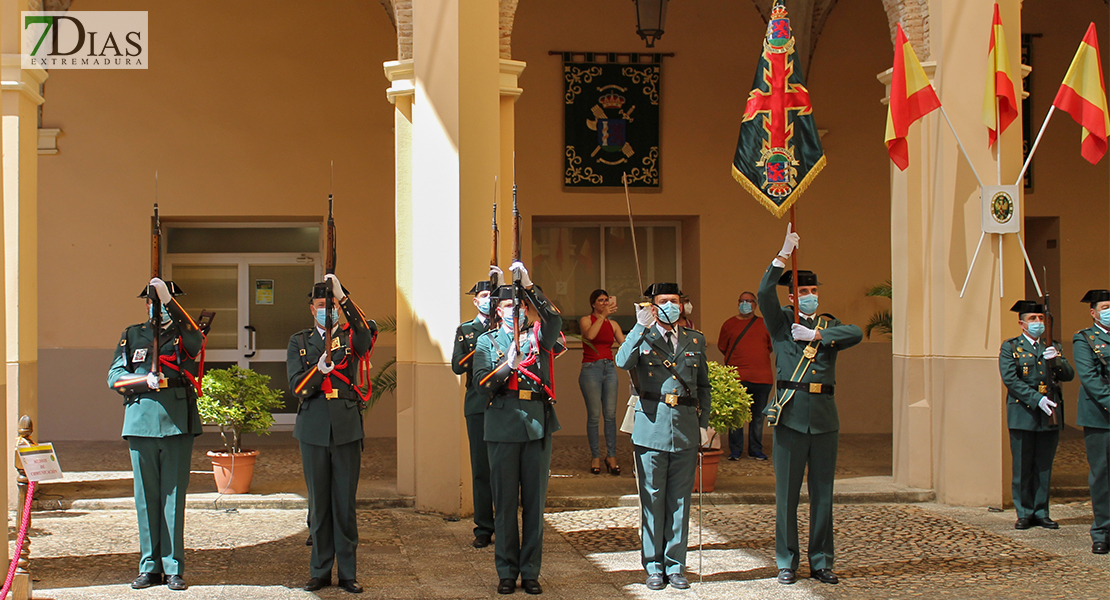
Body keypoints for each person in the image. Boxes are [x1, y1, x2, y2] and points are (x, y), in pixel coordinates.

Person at [758, 225, 861, 586]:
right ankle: (787, 560)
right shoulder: (781, 323)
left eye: (814, 291)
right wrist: (781, 254)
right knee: (787, 496)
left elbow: (857, 333)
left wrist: (817, 334)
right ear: (792, 297)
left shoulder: (827, 326)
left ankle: (821, 561)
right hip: (790, 417)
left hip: (823, 418)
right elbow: (762, 293)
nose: (811, 296)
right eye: (804, 292)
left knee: (823, 495)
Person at [473, 261, 565, 595]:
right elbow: (481, 384)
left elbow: (555, 320)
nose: (516, 310)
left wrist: (530, 285)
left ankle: (530, 572)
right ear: (498, 310)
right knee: (506, 505)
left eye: (520, 305)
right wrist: (505, 366)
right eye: (510, 305)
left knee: (535, 506)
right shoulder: (486, 342)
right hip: (501, 427)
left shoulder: (538, 336)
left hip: (537, 426)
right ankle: (507, 572)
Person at [107, 277, 204, 591]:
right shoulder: (132, 334)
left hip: (176, 420)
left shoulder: (185, 332)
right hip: (140, 421)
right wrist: (141, 382)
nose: (155, 307)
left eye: (161, 301)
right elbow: (114, 376)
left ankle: (173, 567)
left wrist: (171, 302)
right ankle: (150, 567)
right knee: (145, 499)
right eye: (152, 301)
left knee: (172, 499)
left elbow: (196, 346)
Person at [615, 283, 711, 591]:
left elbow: (703, 386)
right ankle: (654, 566)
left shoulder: (695, 340)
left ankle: (676, 565)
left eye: (674, 301)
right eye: (663, 301)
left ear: (682, 305)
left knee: (680, 501)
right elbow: (622, 361)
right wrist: (638, 328)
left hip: (684, 426)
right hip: (651, 426)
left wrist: (703, 424)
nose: (670, 305)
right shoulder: (644, 336)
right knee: (653, 499)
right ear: (653, 307)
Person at [287, 274, 377, 593]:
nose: (328, 310)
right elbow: (297, 387)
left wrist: (345, 296)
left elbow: (366, 336)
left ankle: (348, 572)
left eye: (332, 305)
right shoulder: (300, 341)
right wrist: (319, 371)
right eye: (323, 305)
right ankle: (320, 570)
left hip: (346, 427)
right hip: (313, 428)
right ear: (313, 310)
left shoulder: (352, 336)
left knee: (344, 504)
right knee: (320, 505)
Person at [999, 300, 1074, 531]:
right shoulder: (1010, 347)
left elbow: (1068, 375)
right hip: (1023, 413)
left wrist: (1057, 360)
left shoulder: (1053, 346)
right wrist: (1036, 399)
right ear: (1022, 324)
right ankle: (1024, 513)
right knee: (1022, 465)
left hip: (1049, 414)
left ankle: (1041, 512)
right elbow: (1010, 379)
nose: (1038, 323)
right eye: (1033, 319)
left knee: (1043, 466)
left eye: (1041, 319)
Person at [452, 278, 497, 548]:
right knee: (481, 469)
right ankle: (483, 526)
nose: (487, 299)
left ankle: (504, 523)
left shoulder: (506, 327)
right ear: (475, 300)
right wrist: (482, 342)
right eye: (482, 295)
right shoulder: (466, 330)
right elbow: (458, 366)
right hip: (477, 402)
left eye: (491, 294)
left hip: (503, 400)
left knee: (503, 469)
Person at [1072, 289, 1110, 555]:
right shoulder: (1084, 339)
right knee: (1102, 476)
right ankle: (1102, 531)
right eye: (1106, 306)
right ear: (1093, 312)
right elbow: (1090, 379)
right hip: (1101, 417)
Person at [718, 291, 774, 461]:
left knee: (757, 417)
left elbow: (769, 347)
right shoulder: (729, 324)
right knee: (736, 417)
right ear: (738, 303)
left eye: (749, 301)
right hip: (737, 377)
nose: (745, 304)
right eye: (742, 301)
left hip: (762, 378)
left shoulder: (765, 324)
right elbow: (723, 347)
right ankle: (735, 450)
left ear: (755, 305)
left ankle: (755, 449)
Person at [578, 289, 626, 475]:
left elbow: (623, 343)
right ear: (593, 304)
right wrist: (602, 317)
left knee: (611, 415)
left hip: (609, 368)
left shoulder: (613, 324)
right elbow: (590, 336)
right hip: (591, 368)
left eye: (607, 300)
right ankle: (595, 456)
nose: (604, 303)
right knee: (594, 416)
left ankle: (611, 455)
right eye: (601, 300)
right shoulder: (586, 320)